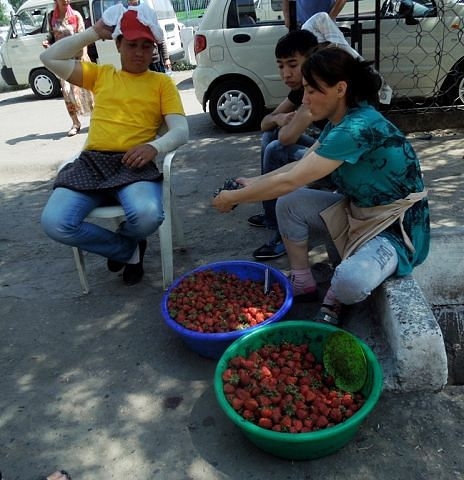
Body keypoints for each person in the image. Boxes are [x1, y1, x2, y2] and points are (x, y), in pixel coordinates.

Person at [213, 46, 430, 325]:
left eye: (312, 90)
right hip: (359, 211)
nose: (305, 99)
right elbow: (301, 166)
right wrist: (252, 182)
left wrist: (235, 197)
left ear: (340, 88)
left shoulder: (356, 128)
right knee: (291, 203)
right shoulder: (340, 119)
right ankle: (303, 283)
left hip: (394, 228)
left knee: (350, 282)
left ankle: (337, 295)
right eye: (305, 89)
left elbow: (292, 179)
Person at [40, 3, 189, 287]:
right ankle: (127, 249)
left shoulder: (161, 83)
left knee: (147, 216)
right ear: (118, 44)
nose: (139, 53)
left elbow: (181, 130)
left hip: (134, 163)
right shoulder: (102, 74)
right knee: (55, 222)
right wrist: (94, 32)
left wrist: (154, 147)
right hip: (92, 163)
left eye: (147, 46)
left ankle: (128, 240)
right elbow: (49, 57)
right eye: (132, 44)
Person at [244, 29, 326, 261]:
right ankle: (271, 213)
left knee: (276, 147)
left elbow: (287, 139)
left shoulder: (317, 88)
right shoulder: (299, 91)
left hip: (331, 159)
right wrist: (278, 119)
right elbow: (264, 123)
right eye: (281, 66)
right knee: (268, 136)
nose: (286, 73)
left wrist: (286, 124)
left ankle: (283, 232)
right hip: (318, 147)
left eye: (292, 65)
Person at [43, 0, 94, 136]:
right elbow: (51, 36)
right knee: (67, 92)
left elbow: (84, 38)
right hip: (62, 61)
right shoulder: (51, 17)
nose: (66, 0)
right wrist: (48, 43)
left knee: (86, 91)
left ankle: (95, 120)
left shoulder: (76, 16)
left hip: (79, 59)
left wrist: (83, 56)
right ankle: (75, 123)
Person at [283, 0, 347, 29]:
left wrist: (329, 19)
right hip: (300, 25)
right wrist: (287, 19)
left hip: (324, 27)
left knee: (323, 54)